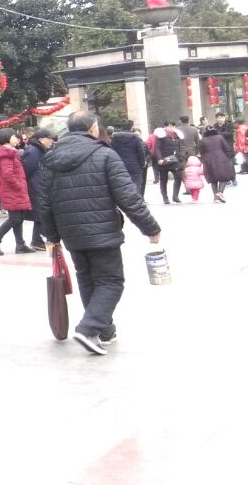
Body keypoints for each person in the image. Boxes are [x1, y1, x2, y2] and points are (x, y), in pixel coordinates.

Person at [37, 111, 161, 355]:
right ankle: (88, 328)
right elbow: (128, 196)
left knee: (87, 278)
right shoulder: (105, 154)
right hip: (102, 230)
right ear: (93, 128)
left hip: (71, 233)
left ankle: (103, 331)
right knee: (111, 281)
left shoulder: (51, 158)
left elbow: (44, 202)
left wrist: (52, 237)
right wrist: (150, 228)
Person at [0, 129, 34, 255]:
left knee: (19, 218)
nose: (17, 139)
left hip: (15, 190)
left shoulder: (10, 152)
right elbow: (7, 174)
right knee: (15, 219)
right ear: (6, 138)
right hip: (13, 191)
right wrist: (18, 185)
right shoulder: (5, 154)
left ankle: (20, 245)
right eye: (14, 137)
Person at [20, 128, 55, 251]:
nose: (51, 141)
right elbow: (27, 170)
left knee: (41, 214)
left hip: (40, 185)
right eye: (49, 138)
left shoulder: (38, 149)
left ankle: (38, 240)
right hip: (35, 186)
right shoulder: (33, 151)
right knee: (41, 214)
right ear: (41, 139)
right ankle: (37, 241)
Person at [108, 122, 150, 195]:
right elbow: (141, 153)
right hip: (134, 166)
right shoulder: (135, 138)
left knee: (121, 185)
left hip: (120, 165)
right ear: (131, 128)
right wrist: (142, 164)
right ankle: (135, 198)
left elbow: (111, 151)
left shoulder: (115, 138)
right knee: (136, 185)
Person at [199, 125, 235, 203]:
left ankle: (216, 197)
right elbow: (226, 148)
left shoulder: (203, 140)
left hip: (208, 160)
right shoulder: (220, 137)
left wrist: (203, 160)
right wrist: (227, 156)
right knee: (224, 177)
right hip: (221, 158)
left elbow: (201, 152)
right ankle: (220, 193)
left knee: (213, 179)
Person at [151, 125, 183, 204]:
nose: (171, 128)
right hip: (163, 161)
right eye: (169, 126)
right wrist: (159, 158)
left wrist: (181, 156)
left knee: (178, 177)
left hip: (175, 160)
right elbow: (157, 148)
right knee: (163, 180)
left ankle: (175, 196)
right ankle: (165, 198)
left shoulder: (177, 136)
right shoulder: (160, 137)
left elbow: (180, 147)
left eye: (172, 126)